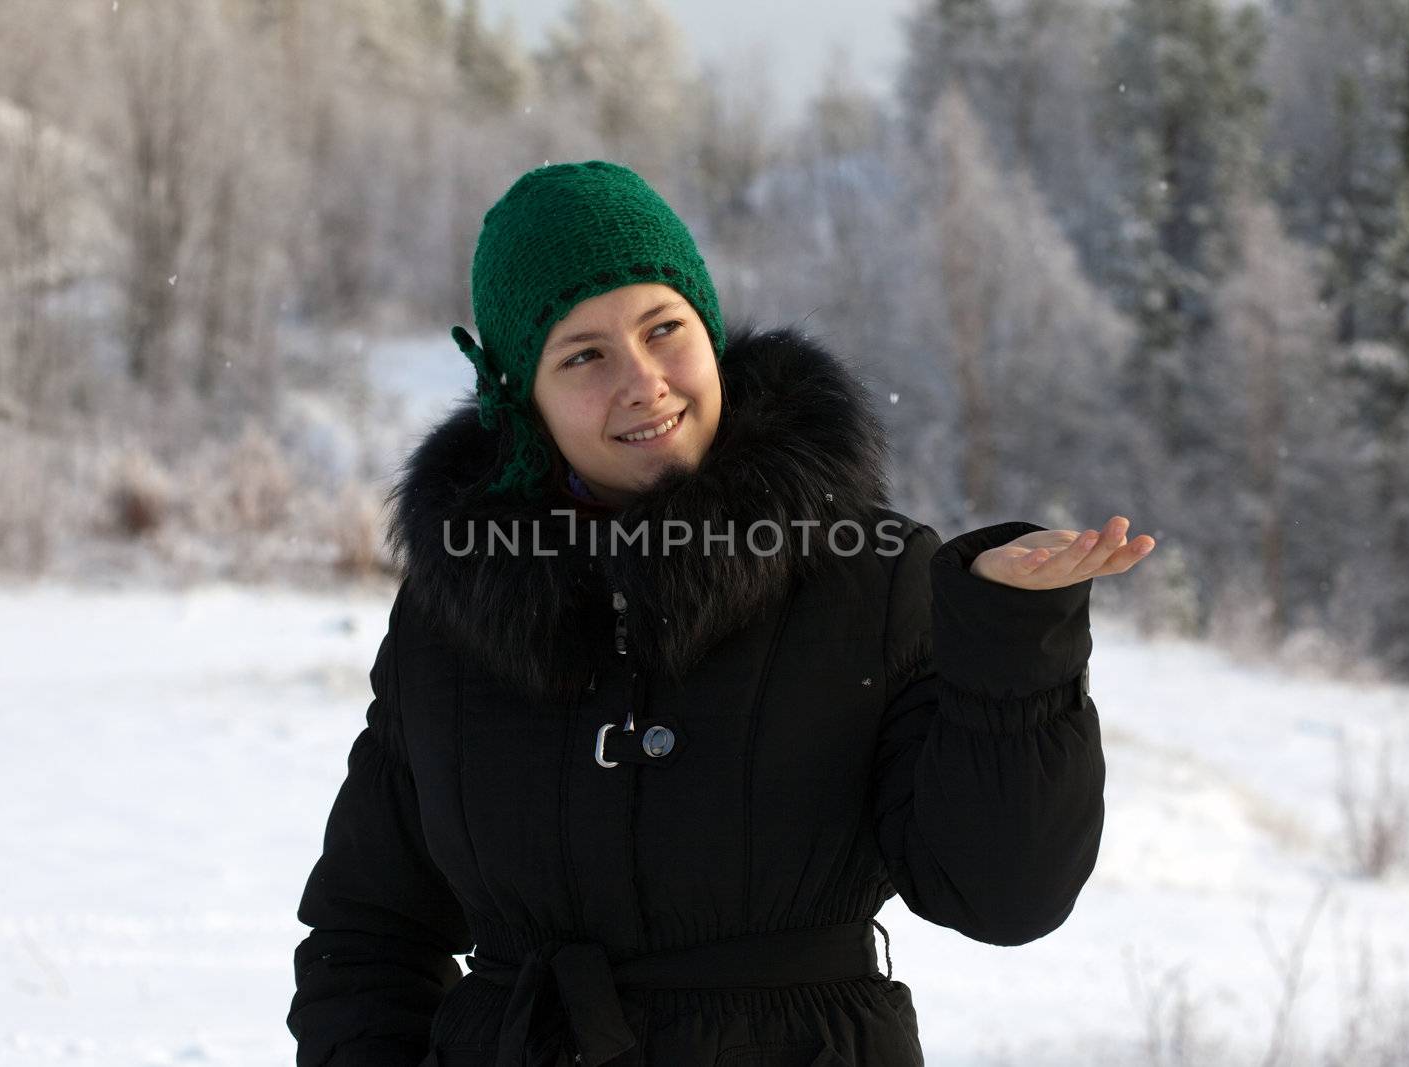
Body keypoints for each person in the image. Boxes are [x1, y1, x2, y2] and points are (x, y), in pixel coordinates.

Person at [287, 159, 1155, 1067]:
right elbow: (368, 931)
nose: (644, 381)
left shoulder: (875, 576)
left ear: (711, 334)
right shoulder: (452, 611)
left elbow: (1005, 894)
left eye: (666, 329)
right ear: (520, 399)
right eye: (584, 355)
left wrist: (1013, 648)